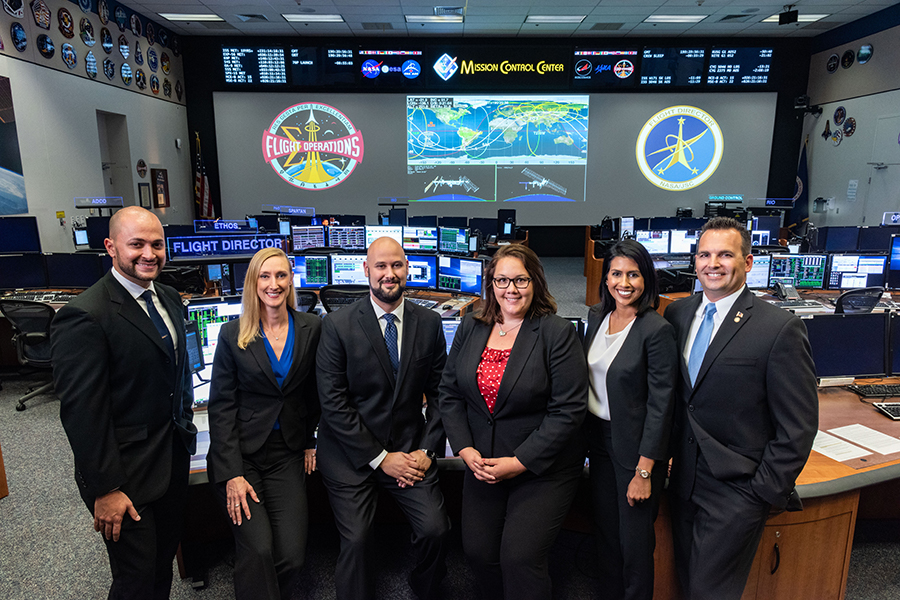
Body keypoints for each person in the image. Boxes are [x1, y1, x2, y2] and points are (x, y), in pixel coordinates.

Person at [663, 217, 818, 600]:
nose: (712, 264)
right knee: (686, 581)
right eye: (704, 254)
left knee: (709, 592)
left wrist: (761, 492)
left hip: (737, 490)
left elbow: (798, 427)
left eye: (725, 255)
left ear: (747, 262)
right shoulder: (677, 314)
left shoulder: (779, 328)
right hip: (682, 481)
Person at [50, 206, 197, 600]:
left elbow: (175, 374)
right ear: (111, 247)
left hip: (169, 459)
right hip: (124, 475)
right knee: (135, 578)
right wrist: (106, 489)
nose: (149, 253)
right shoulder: (85, 316)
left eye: (156, 244)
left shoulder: (167, 297)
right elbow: (83, 413)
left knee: (161, 565)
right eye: (137, 244)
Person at [438, 244, 588, 600]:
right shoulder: (471, 326)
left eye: (520, 279)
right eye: (502, 280)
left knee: (519, 558)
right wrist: (464, 447)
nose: (511, 289)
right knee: (477, 553)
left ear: (535, 281)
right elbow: (449, 392)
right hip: (484, 463)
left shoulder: (556, 333)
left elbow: (568, 410)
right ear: (490, 284)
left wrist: (520, 462)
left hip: (539, 467)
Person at [315, 236, 450, 600]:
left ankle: (424, 587)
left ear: (407, 269)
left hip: (408, 448)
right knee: (357, 539)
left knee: (436, 530)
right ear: (366, 271)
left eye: (396, 266)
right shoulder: (338, 325)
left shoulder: (429, 323)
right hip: (350, 454)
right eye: (381, 266)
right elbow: (333, 403)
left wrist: (428, 450)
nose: (389, 274)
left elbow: (441, 395)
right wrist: (380, 459)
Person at [207, 247, 321, 600]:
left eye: (282, 275)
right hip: (242, 456)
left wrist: (310, 440)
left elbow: (317, 393)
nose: (274, 284)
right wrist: (231, 473)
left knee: (291, 556)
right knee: (258, 550)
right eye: (265, 276)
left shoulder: (311, 328)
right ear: (253, 283)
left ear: (291, 281)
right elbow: (221, 406)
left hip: (286, 453)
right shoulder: (232, 334)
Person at [583, 240, 677, 600]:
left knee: (635, 546)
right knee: (606, 535)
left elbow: (661, 405)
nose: (624, 282)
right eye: (617, 273)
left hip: (636, 452)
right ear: (606, 278)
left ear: (646, 278)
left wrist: (645, 471)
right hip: (599, 442)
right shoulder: (596, 317)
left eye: (633, 274)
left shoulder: (656, 330)